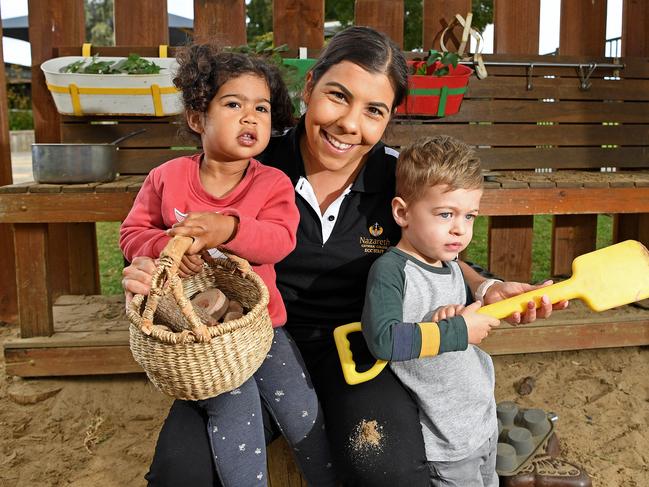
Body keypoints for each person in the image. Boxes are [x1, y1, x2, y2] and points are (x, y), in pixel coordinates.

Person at [122, 27, 567, 487]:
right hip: (247, 347)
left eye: (373, 110)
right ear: (310, 86)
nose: (350, 124)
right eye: (338, 96)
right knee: (181, 471)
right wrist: (150, 265)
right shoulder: (253, 165)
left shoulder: (398, 179)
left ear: (389, 117)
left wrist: (486, 286)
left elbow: (439, 249)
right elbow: (165, 232)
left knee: (382, 465)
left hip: (357, 351)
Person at [120, 45, 336, 487]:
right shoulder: (167, 177)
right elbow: (131, 234)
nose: (250, 117)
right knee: (235, 416)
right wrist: (168, 244)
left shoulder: (272, 182)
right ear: (198, 117)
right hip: (203, 338)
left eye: (261, 108)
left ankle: (328, 480)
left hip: (263, 328)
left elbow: (280, 240)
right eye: (233, 104)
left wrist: (229, 228)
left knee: (301, 412)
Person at [361, 135, 501, 486]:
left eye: (469, 216)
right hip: (446, 440)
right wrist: (455, 331)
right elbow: (383, 339)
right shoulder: (392, 271)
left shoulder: (448, 261)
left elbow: (447, 322)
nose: (460, 228)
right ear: (402, 212)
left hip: (481, 419)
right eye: (446, 214)